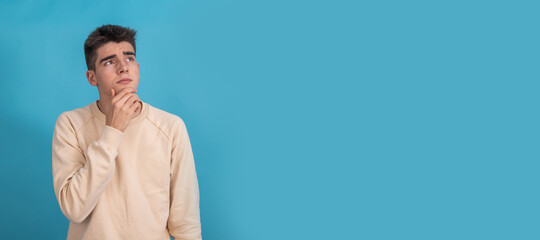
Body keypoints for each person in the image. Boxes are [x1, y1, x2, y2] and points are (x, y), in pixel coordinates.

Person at [52, 24, 202, 240]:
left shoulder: (171, 127)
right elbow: (75, 208)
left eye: (129, 58)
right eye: (110, 61)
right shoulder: (70, 124)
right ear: (92, 78)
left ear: (138, 69)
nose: (123, 67)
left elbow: (186, 223)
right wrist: (113, 129)